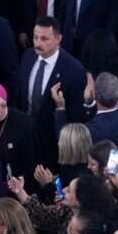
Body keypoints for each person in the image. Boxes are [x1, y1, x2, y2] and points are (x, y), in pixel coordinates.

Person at [17, 17, 88, 158]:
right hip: (25, 136)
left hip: (52, 142)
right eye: (35, 37)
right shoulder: (28, 56)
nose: (37, 43)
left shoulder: (74, 70)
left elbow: (76, 115)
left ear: (58, 39)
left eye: (44, 39)